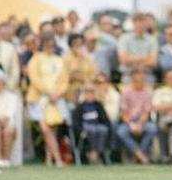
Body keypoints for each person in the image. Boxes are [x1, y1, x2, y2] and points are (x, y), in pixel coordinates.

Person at [26, 33, 69, 166]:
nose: (50, 47)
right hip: (40, 98)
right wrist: (48, 92)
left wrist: (58, 93)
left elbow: (64, 80)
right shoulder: (36, 59)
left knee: (53, 128)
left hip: (56, 98)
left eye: (52, 45)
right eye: (47, 45)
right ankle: (57, 159)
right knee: (45, 129)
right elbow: (34, 79)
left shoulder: (59, 60)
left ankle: (49, 158)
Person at [116, 68, 157, 164]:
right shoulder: (126, 92)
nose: (140, 82)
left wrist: (139, 124)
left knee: (152, 129)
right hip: (128, 121)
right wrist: (131, 124)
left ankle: (138, 155)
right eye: (137, 80)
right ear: (132, 79)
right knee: (121, 132)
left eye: (142, 79)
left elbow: (146, 112)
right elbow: (123, 113)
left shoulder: (147, 92)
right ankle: (140, 155)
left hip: (142, 120)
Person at [72, 83, 111, 164]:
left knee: (103, 129)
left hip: (97, 125)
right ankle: (92, 152)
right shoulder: (80, 106)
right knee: (92, 129)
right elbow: (76, 123)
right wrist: (80, 130)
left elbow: (105, 120)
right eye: (88, 92)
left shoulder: (98, 105)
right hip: (85, 127)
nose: (90, 95)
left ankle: (96, 153)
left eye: (92, 92)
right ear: (85, 94)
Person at [117, 13, 158, 83]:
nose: (139, 24)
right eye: (137, 21)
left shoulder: (152, 40)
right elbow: (123, 60)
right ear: (133, 23)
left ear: (146, 23)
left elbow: (153, 62)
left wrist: (131, 58)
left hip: (147, 75)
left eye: (142, 21)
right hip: (128, 75)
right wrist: (144, 58)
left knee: (150, 81)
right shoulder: (124, 38)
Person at [63, 33, 98, 102]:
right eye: (76, 44)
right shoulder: (66, 59)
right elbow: (68, 76)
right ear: (70, 46)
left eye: (81, 44)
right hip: (71, 94)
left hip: (87, 92)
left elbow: (94, 74)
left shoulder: (88, 58)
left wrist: (83, 78)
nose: (78, 46)